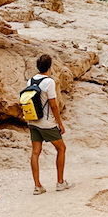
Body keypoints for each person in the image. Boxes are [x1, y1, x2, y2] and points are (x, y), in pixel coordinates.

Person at [26, 53, 68, 195]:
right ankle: (60, 182)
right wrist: (60, 123)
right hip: (46, 123)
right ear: (50, 67)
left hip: (33, 121)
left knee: (35, 152)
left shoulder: (30, 81)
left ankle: (37, 186)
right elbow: (53, 105)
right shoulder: (49, 82)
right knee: (61, 148)